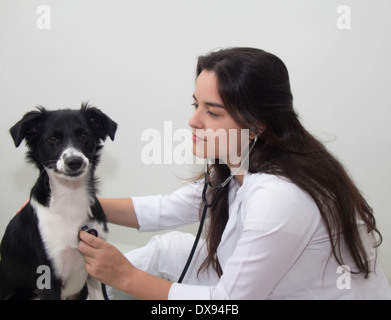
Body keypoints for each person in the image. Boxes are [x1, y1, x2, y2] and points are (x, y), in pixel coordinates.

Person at [78, 47, 391, 300]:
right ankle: (79, 289)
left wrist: (125, 276)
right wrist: (74, 205)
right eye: (195, 104)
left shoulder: (280, 196)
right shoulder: (239, 164)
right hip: (267, 287)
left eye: (212, 112)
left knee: (149, 269)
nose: (193, 121)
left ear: (256, 125)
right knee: (167, 249)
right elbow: (167, 208)